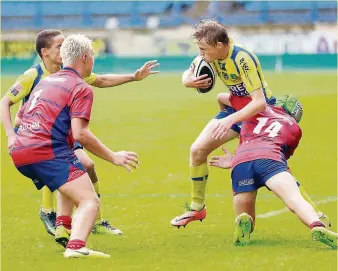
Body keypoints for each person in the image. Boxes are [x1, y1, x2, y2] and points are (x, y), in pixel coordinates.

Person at [170, 19, 330, 228]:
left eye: (203, 49)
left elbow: (259, 102)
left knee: (273, 165)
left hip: (261, 113)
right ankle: (197, 208)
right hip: (236, 108)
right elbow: (189, 71)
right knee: (197, 150)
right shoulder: (209, 53)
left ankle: (314, 213)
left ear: (219, 45)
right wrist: (187, 80)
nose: (200, 54)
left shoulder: (243, 59)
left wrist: (229, 120)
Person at [0, 29, 159, 236]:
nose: (64, 48)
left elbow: (100, 80)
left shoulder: (69, 72)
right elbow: (5, 101)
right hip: (40, 134)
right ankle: (51, 214)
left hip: (62, 132)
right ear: (45, 51)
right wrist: (11, 134)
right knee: (63, 167)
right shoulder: (34, 75)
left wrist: (134, 77)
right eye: (59, 45)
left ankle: (93, 222)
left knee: (88, 165)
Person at [208, 98, 337, 249]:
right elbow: (282, 157)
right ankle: (316, 225)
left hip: (241, 161)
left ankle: (244, 220)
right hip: (270, 159)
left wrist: (234, 159)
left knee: (247, 219)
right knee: (295, 199)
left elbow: (221, 97)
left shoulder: (255, 110)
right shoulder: (295, 128)